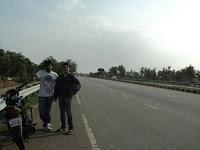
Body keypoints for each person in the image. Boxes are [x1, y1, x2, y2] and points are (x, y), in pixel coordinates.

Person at [54, 62, 81, 135]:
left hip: (68, 98)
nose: (66, 68)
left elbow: (78, 85)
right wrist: (55, 96)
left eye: (67, 67)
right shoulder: (60, 77)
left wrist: (73, 91)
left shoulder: (71, 77)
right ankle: (63, 127)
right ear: (63, 69)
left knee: (68, 113)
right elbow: (56, 87)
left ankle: (70, 128)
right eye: (64, 67)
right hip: (61, 97)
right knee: (62, 113)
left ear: (69, 68)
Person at [35, 60, 58, 131]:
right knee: (41, 113)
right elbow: (36, 76)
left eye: (49, 65)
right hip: (42, 96)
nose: (48, 67)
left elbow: (57, 85)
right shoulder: (41, 72)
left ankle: (48, 124)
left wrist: (56, 95)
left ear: (51, 66)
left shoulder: (55, 74)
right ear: (45, 66)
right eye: (46, 65)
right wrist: (35, 77)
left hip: (50, 96)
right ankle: (46, 122)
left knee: (47, 111)